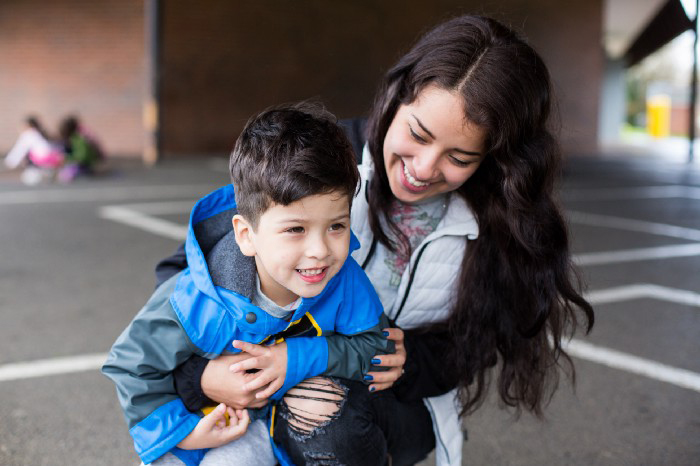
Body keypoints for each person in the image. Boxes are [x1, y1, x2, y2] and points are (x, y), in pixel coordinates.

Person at [158, 14, 595, 466]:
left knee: (321, 404)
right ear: (395, 98)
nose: (424, 168)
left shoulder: (500, 216)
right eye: (417, 134)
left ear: (494, 157)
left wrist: (412, 361)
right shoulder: (317, 159)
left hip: (393, 409)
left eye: (459, 157)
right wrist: (203, 377)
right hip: (255, 386)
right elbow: (176, 282)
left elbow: (482, 340)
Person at [102, 103, 392, 466]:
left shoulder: (345, 279)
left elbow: (371, 342)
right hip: (206, 422)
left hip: (277, 428)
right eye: (295, 230)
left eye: (336, 226)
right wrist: (184, 432)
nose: (320, 251)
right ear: (246, 235)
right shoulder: (197, 297)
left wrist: (298, 358)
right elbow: (131, 364)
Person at [3, 116, 65, 185]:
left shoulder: (29, 134)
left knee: (28, 179)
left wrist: (9, 163)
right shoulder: (40, 133)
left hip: (41, 164)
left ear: (27, 125)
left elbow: (19, 151)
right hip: (52, 162)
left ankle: (43, 173)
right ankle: (48, 172)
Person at [57, 115, 104, 182]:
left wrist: (67, 159)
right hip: (83, 163)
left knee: (64, 175)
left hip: (83, 164)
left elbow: (81, 156)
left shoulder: (78, 139)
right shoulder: (76, 138)